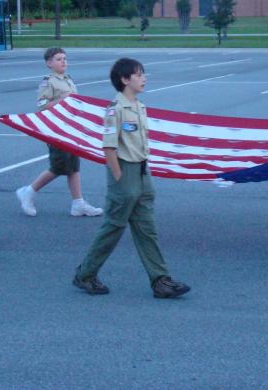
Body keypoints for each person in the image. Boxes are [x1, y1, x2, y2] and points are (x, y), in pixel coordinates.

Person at [72, 58, 191, 298]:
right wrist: (119, 179)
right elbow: (108, 147)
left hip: (142, 171)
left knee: (147, 229)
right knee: (113, 228)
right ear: (125, 80)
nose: (144, 78)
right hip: (125, 173)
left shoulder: (139, 106)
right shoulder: (115, 109)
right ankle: (85, 274)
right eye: (139, 74)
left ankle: (161, 280)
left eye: (143, 73)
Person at [15, 47, 102, 218]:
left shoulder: (68, 80)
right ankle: (29, 191)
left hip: (70, 128)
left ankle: (78, 203)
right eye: (58, 59)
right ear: (49, 63)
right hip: (57, 129)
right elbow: (41, 105)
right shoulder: (49, 82)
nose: (63, 62)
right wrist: (63, 101)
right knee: (59, 166)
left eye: (64, 58)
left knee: (74, 166)